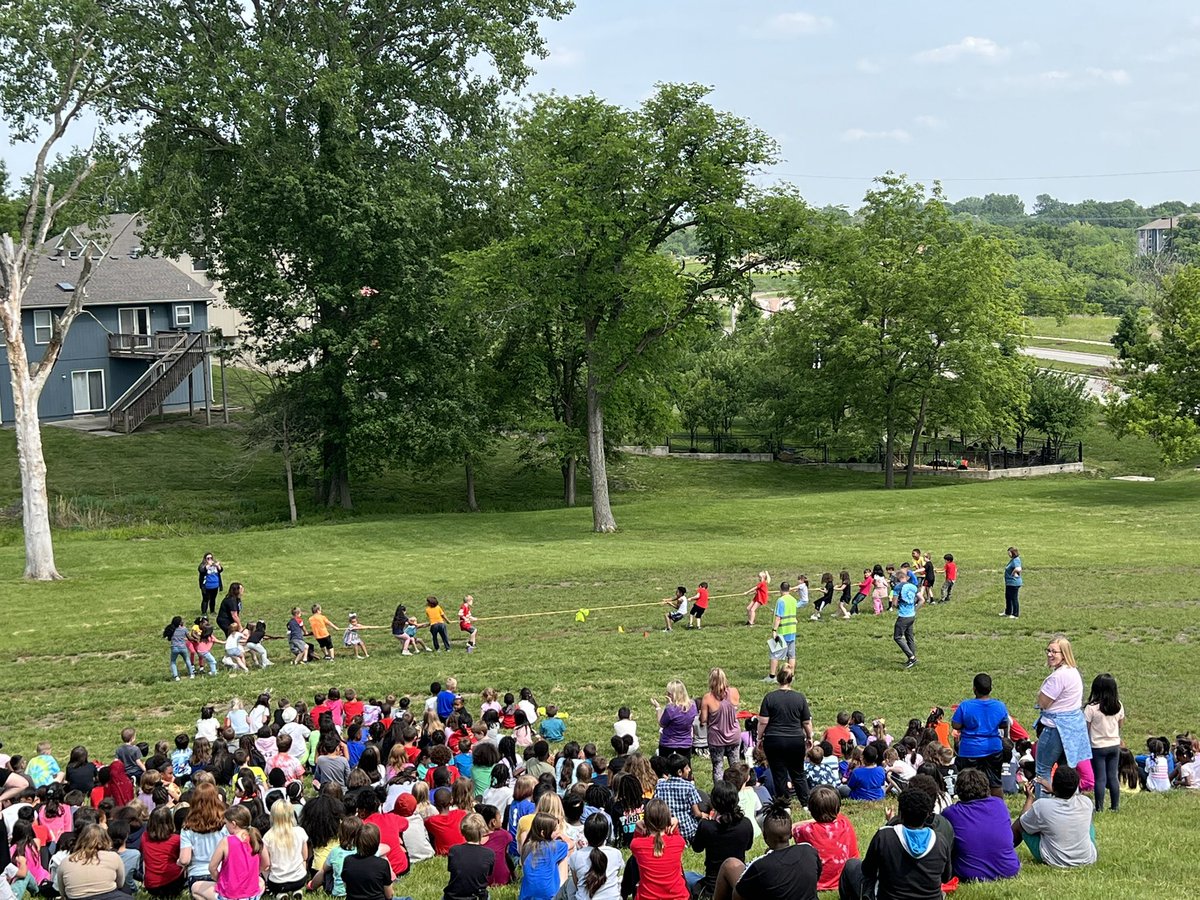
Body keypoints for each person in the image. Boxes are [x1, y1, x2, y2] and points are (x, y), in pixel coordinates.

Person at [838, 786, 952, 900]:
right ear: (928, 815)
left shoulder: (884, 836)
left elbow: (867, 871)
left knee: (851, 865)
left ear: (900, 813)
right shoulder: (940, 841)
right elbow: (946, 878)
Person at [711, 799, 820, 900]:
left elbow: (737, 896)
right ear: (791, 834)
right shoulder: (809, 850)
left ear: (764, 836)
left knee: (730, 864)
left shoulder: (760, 865)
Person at [1034, 635, 1091, 797]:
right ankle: (1071, 804)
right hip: (1073, 728)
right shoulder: (1073, 672)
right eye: (1048, 650)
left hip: (1055, 728)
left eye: (1054, 652)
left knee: (1043, 769)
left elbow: (1043, 702)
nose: (1050, 654)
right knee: (1067, 770)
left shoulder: (1058, 677)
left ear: (1064, 654)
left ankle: (1042, 806)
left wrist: (1040, 696)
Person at [940, 768, 1019, 882]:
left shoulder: (950, 813)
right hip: (1008, 870)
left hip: (969, 873)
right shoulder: (999, 805)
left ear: (958, 789)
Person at [1011, 765, 1096, 868]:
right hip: (1087, 858)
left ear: (1054, 785)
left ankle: (1005, 848)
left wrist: (1029, 798)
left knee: (1022, 823)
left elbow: (1023, 820)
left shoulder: (1042, 806)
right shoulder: (1086, 802)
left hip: (1055, 860)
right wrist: (1055, 791)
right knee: (1087, 823)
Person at [756, 668, 813, 806]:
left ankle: (784, 805)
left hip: (774, 740)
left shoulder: (769, 697)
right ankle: (806, 804)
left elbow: (763, 721)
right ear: (791, 679)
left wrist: (759, 737)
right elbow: (806, 721)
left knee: (778, 774)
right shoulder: (799, 697)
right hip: (795, 739)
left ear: (778, 679)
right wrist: (810, 736)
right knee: (798, 773)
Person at [690, 780, 754, 898]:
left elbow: (696, 848)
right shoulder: (746, 824)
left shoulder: (706, 826)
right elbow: (748, 846)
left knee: (688, 876)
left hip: (712, 886)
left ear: (713, 802)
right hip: (736, 882)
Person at [951, 673, 1010, 796]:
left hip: (970, 750)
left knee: (968, 783)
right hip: (993, 748)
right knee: (995, 782)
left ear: (974, 689)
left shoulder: (965, 706)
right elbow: (1004, 724)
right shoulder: (999, 705)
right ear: (990, 688)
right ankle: (998, 808)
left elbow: (956, 725)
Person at [792, 786, 857, 893]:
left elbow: (792, 829)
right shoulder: (844, 823)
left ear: (811, 811)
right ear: (837, 808)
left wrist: (798, 823)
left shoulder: (805, 831)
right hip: (843, 878)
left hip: (816, 882)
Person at [203, 805, 269, 900]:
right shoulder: (256, 838)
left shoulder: (226, 841)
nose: (225, 826)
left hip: (229, 894)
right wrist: (253, 874)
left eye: (226, 823)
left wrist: (220, 880)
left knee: (195, 888)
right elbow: (266, 863)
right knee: (261, 882)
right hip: (251, 894)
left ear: (233, 824)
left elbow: (212, 868)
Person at [628, 799, 687, 900]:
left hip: (646, 897)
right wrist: (675, 825)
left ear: (646, 821)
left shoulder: (636, 845)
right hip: (678, 897)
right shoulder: (679, 842)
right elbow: (674, 836)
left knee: (633, 861)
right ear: (667, 820)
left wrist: (639, 828)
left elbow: (635, 846)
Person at [1084, 673, 1125, 812]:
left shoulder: (1091, 708)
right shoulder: (1118, 705)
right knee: (1113, 776)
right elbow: (1120, 724)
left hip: (1097, 746)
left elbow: (1086, 728)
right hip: (1114, 744)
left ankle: (1099, 807)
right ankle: (1115, 806)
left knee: (1100, 777)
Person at [53, 823, 126, 900]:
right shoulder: (114, 857)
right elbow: (120, 884)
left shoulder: (66, 861)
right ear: (106, 839)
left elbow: (62, 891)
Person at [699, 668, 741, 783]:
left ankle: (719, 792)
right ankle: (737, 789)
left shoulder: (708, 698)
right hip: (734, 736)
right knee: (735, 765)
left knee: (718, 767)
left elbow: (703, 719)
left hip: (717, 738)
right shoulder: (734, 692)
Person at [569, 813, 623, 900]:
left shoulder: (575, 856)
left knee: (569, 884)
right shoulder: (616, 854)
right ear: (606, 834)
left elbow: (576, 883)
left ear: (585, 834)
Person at [262, 800, 309, 896]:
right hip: (299, 879)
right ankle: (297, 890)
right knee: (303, 861)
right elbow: (305, 856)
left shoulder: (267, 836)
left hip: (277, 882)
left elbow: (266, 863)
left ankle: (279, 894)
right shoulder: (300, 831)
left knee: (264, 867)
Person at [519, 812, 569, 900]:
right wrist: (562, 836)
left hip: (527, 895)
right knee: (563, 856)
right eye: (555, 830)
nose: (557, 832)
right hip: (549, 894)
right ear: (543, 833)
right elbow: (570, 844)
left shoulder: (527, 846)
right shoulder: (555, 846)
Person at [444, 813, 494, 900]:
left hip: (452, 897)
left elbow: (453, 870)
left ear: (463, 831)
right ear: (482, 831)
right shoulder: (489, 854)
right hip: (477, 897)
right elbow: (488, 873)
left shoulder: (454, 850)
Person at [308, 815, 361, 897]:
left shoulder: (335, 852)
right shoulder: (363, 850)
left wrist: (312, 886)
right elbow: (387, 848)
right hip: (359, 891)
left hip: (339, 894)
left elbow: (322, 871)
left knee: (327, 869)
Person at [341, 823, 394, 900]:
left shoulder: (348, 860)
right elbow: (389, 895)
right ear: (376, 843)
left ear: (356, 842)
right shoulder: (382, 864)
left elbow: (346, 885)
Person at [142, 806, 186, 898]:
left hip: (151, 884)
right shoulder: (177, 840)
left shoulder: (144, 837)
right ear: (170, 822)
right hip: (173, 881)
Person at [651, 680, 697, 759]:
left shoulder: (671, 709)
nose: (667, 695)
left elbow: (662, 723)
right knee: (685, 767)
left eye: (669, 694)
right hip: (686, 743)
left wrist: (658, 708)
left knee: (664, 767)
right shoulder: (692, 706)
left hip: (668, 743)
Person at [766, 582, 797, 682]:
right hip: (792, 630)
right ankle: (790, 675)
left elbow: (778, 617)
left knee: (775, 653)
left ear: (780, 589)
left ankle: (772, 676)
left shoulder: (781, 601)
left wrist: (774, 630)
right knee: (791, 655)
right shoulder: (793, 600)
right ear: (789, 589)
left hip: (782, 631)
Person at [893, 568, 921, 669]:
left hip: (903, 616)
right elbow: (922, 600)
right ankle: (912, 659)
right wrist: (914, 609)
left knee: (897, 637)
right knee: (910, 638)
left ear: (898, 578)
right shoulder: (913, 586)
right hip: (912, 615)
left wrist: (896, 603)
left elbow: (894, 603)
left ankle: (911, 657)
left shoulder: (897, 587)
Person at [165, 616, 195, 681]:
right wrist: (195, 639)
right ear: (179, 622)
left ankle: (176, 676)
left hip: (174, 648)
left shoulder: (171, 629)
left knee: (173, 661)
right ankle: (191, 674)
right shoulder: (184, 629)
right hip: (183, 647)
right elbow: (189, 638)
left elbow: (168, 638)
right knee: (187, 660)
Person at [1002, 547, 1022, 619]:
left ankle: (1015, 614)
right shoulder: (1013, 560)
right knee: (1008, 597)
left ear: (1013, 553)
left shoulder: (1016, 560)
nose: (1008, 554)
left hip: (1014, 583)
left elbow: (1018, 568)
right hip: (1009, 583)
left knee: (1014, 598)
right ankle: (1008, 612)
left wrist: (1014, 573)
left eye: (1009, 553)